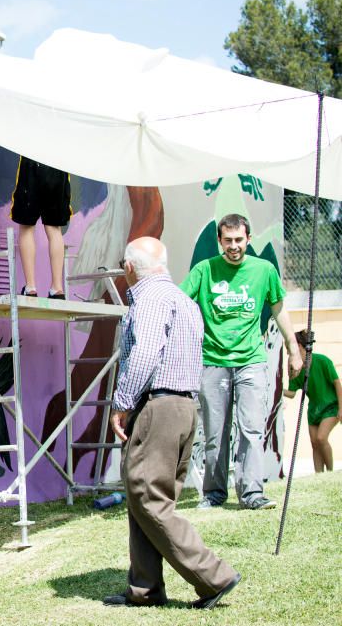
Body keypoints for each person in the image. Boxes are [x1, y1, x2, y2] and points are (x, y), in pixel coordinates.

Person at [104, 237, 240, 609]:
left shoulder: (148, 299)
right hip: (184, 406)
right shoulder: (184, 300)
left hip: (159, 406)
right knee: (146, 496)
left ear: (130, 267)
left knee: (147, 496)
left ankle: (214, 577)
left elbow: (146, 352)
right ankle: (145, 589)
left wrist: (122, 402)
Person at [180, 213, 302, 510]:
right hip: (213, 361)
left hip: (251, 360)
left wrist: (293, 347)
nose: (233, 246)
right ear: (219, 241)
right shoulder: (204, 270)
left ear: (248, 238)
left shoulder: (264, 270)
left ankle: (252, 494)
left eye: (239, 240)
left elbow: (278, 308)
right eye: (228, 240)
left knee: (251, 428)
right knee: (215, 432)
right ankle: (214, 494)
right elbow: (180, 302)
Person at [10, 155, 71, 299]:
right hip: (58, 164)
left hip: (32, 158)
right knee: (54, 229)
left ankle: (30, 287)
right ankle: (57, 288)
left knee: (26, 226)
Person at [284, 330, 341, 472]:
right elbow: (291, 393)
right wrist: (275, 389)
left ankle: (330, 473)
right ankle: (318, 475)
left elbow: (337, 384)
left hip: (331, 406)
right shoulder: (296, 368)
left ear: (298, 345)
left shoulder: (322, 360)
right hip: (314, 410)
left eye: (288, 348)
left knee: (321, 438)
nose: (287, 353)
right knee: (314, 442)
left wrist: (341, 408)